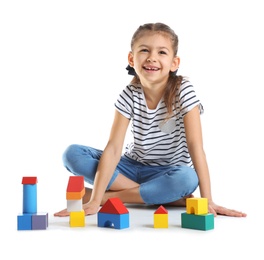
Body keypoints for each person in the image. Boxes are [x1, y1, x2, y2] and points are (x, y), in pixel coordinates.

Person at [54, 22, 246, 218]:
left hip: (167, 172)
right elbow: (113, 148)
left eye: (162, 52)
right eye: (144, 50)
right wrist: (92, 202)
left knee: (186, 178)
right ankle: (164, 197)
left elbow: (195, 145)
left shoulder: (184, 90)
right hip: (130, 166)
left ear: (174, 63)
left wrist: (208, 199)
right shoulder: (129, 94)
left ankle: (109, 197)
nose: (152, 58)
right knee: (73, 154)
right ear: (131, 58)